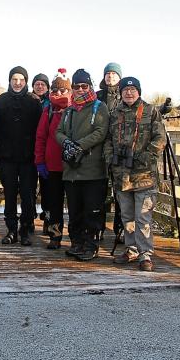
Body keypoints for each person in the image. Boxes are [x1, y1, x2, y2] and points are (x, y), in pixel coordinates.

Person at [104, 76, 166, 271]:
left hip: (144, 175)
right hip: (122, 175)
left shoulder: (150, 111)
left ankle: (145, 254)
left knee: (143, 216)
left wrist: (145, 156)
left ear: (139, 91)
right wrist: (109, 157)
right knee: (127, 215)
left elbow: (160, 138)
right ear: (121, 92)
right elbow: (107, 139)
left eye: (132, 90)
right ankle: (131, 250)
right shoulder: (115, 113)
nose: (129, 93)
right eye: (125, 90)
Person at [55, 69, 109, 261]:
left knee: (92, 210)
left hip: (93, 171)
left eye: (84, 86)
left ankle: (91, 245)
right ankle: (77, 243)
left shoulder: (99, 107)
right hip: (71, 171)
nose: (79, 90)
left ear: (90, 86)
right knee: (75, 210)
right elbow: (58, 132)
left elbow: (101, 131)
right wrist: (67, 143)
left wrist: (79, 145)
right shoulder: (69, 110)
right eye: (76, 87)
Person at [0, 66, 41, 246]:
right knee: (9, 194)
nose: (18, 83)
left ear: (26, 82)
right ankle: (11, 229)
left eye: (21, 80)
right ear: (10, 81)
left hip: (28, 158)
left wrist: (38, 156)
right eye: (14, 79)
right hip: (7, 157)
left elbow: (39, 132)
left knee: (27, 196)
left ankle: (25, 229)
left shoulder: (34, 102)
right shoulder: (2, 101)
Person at [34, 69, 71, 249]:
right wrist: (40, 161)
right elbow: (40, 137)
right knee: (54, 203)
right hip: (53, 166)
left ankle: (76, 236)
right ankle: (55, 236)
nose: (58, 94)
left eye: (62, 91)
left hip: (73, 166)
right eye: (55, 91)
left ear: (69, 91)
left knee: (74, 203)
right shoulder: (48, 110)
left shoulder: (76, 109)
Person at [97, 62, 124, 239]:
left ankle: (120, 229)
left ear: (120, 77)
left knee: (121, 191)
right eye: (108, 74)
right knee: (98, 191)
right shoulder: (97, 96)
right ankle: (97, 228)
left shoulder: (126, 95)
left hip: (119, 150)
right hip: (99, 148)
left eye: (114, 74)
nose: (111, 77)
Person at [31, 72, 51, 233]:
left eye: (43, 84)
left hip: (46, 151)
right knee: (30, 187)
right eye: (37, 84)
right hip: (29, 149)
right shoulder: (27, 100)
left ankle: (47, 217)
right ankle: (29, 217)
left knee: (47, 187)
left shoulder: (52, 103)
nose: (40, 86)